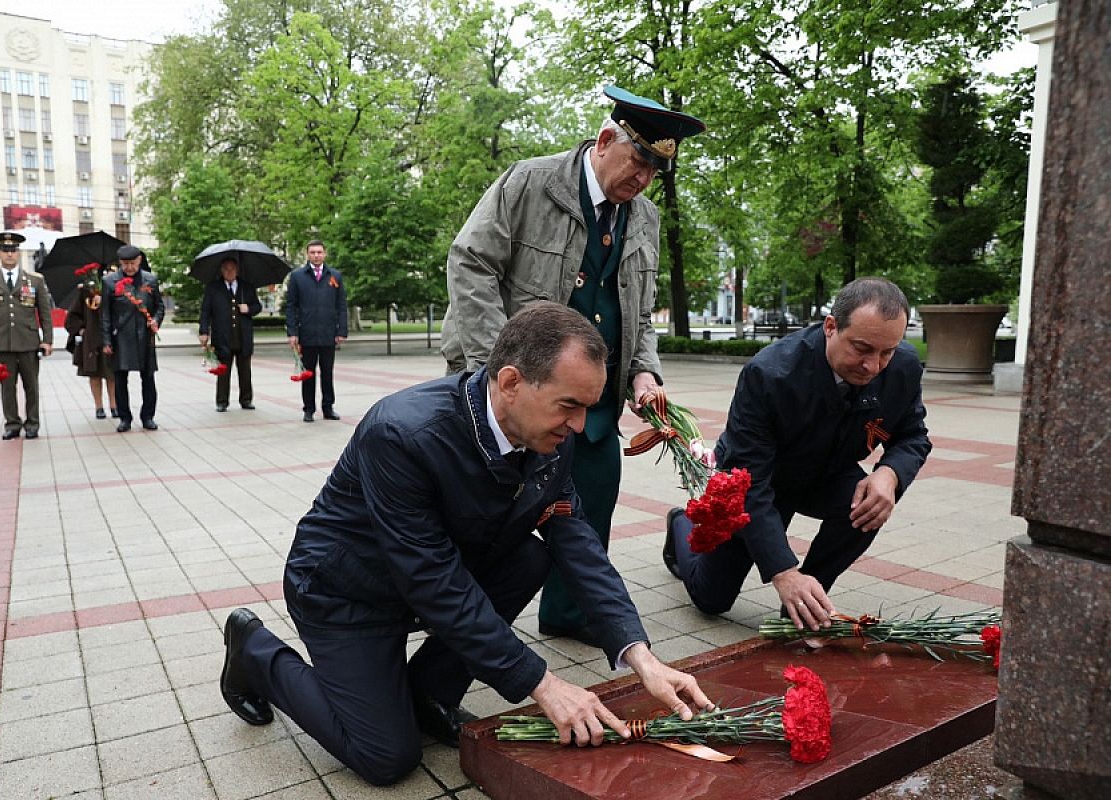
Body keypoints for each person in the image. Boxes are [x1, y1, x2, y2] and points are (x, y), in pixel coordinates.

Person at [219, 303, 711, 786]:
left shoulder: (553, 436)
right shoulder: (402, 434)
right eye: (569, 406)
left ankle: (426, 691)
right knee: (386, 757)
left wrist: (641, 657)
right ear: (512, 382)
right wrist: (544, 684)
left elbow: (576, 541)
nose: (580, 426)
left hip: (438, 570)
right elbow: (433, 579)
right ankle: (256, 654)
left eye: (588, 407)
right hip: (348, 589)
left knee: (528, 559)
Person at [440, 85, 706, 646]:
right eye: (639, 162)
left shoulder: (645, 219)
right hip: (516, 392)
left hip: (593, 400)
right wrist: (498, 370)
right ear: (606, 140)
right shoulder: (531, 182)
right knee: (487, 514)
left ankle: (569, 612)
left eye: (656, 171)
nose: (643, 179)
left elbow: (639, 310)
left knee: (594, 498)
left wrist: (643, 372)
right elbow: (470, 263)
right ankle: (461, 630)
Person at [663, 278, 933, 631]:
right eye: (862, 349)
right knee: (710, 599)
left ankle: (806, 602)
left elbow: (913, 435)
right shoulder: (768, 375)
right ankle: (680, 524)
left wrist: (889, 474)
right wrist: (783, 572)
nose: (874, 366)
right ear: (831, 327)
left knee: (867, 505)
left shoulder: (903, 368)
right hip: (756, 481)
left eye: (887, 352)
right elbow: (752, 484)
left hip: (825, 474)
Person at [0, 231, 54, 439]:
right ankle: (12, 423)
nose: (10, 254)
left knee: (31, 386)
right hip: (2, 343)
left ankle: (32, 423)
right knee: (7, 387)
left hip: (28, 342)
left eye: (13, 250)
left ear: (18, 253)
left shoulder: (35, 280)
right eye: (5, 250)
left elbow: (45, 313)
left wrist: (47, 340)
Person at [100, 245, 164, 432]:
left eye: (133, 263)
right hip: (121, 337)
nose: (129, 268)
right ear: (120, 263)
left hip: (144, 336)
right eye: (125, 264)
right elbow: (105, 314)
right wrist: (106, 341)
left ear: (139, 261)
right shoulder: (110, 281)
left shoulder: (150, 280)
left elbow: (159, 306)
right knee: (120, 379)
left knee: (149, 378)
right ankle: (124, 418)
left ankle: (148, 417)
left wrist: (156, 321)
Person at [285, 240, 347, 422]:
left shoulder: (334, 276)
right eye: (312, 252)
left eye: (319, 252)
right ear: (307, 254)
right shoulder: (297, 276)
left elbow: (341, 305)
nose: (316, 255)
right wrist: (292, 332)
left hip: (328, 333)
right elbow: (291, 306)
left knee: (327, 372)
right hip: (307, 333)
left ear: (325, 254)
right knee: (308, 373)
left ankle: (328, 407)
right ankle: (309, 409)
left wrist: (341, 330)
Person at [199, 257, 262, 412]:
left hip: (243, 335)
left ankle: (246, 399)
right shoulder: (213, 288)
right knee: (223, 371)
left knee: (245, 370)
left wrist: (249, 309)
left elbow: (257, 306)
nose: (229, 272)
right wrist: (204, 331)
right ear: (221, 270)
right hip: (222, 336)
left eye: (232, 269)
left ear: (237, 270)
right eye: (226, 269)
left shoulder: (246, 287)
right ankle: (222, 401)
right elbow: (205, 311)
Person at [64, 265, 117, 419]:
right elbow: (72, 316)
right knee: (94, 373)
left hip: (110, 336)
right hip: (91, 338)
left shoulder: (116, 289)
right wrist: (82, 331)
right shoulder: (85, 291)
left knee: (112, 374)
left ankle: (114, 405)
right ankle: (99, 406)